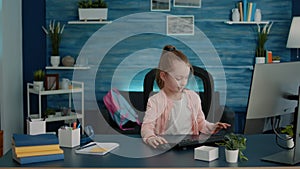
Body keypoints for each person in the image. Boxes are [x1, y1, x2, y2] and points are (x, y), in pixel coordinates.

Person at [141, 45, 231, 148]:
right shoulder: (155, 101)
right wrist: (151, 137)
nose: (183, 83)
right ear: (163, 76)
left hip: (189, 145)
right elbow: (147, 126)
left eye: (186, 78)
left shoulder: (193, 98)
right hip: (166, 146)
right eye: (178, 78)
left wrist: (212, 127)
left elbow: (201, 123)